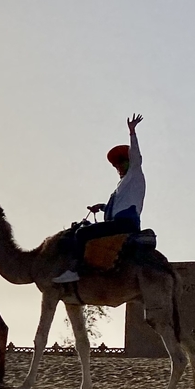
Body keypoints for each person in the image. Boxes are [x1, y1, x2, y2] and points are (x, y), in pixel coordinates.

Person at [52, 113, 146, 284]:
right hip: (118, 221)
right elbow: (117, 206)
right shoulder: (123, 186)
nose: (118, 167)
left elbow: (135, 157)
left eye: (121, 163)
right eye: (116, 165)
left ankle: (77, 271)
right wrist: (101, 207)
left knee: (82, 233)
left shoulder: (135, 173)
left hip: (125, 223)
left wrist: (132, 132)